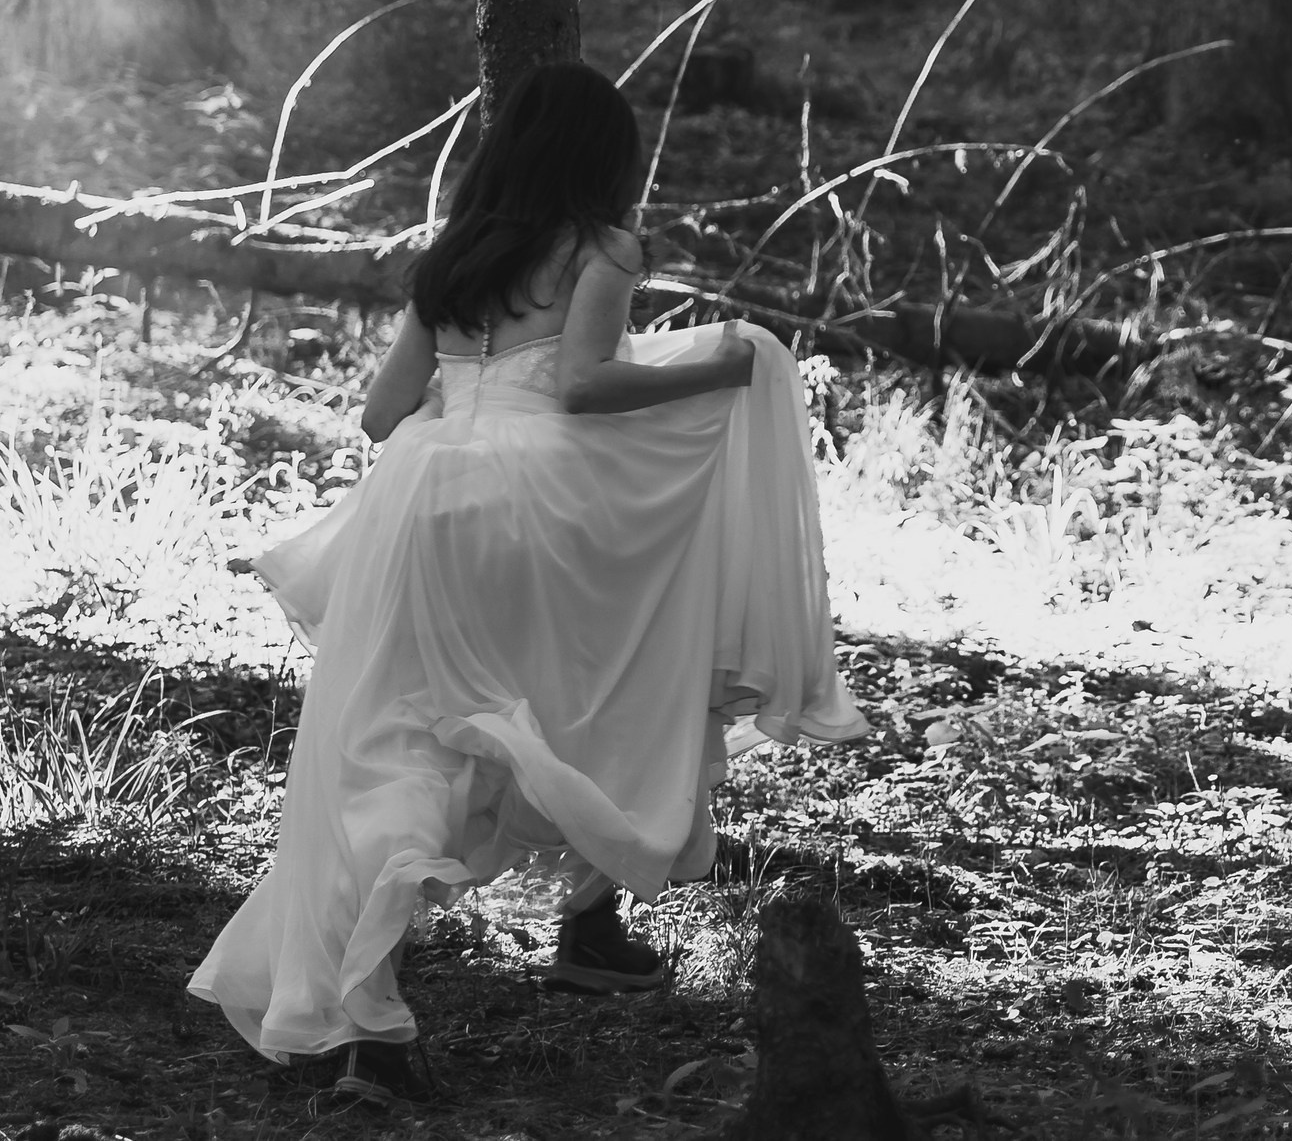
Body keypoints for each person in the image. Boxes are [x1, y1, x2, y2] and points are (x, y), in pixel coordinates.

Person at [189, 63, 871, 1104]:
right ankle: (590, 919)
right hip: (536, 501)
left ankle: (368, 1032)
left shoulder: (449, 260)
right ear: (603, 160)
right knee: (603, 685)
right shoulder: (601, 248)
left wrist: (457, 426)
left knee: (397, 739)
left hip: (412, 503)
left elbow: (381, 418)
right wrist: (724, 368)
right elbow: (585, 384)